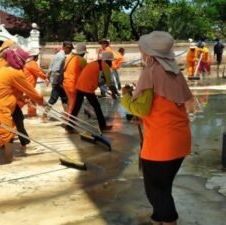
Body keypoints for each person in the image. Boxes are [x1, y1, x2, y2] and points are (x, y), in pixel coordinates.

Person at [121, 31, 193, 225]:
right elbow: (169, 105)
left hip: (162, 144)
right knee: (164, 186)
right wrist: (145, 121)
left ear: (150, 53)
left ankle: (169, 220)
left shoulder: (151, 72)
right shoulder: (175, 72)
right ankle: (159, 218)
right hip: (180, 139)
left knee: (155, 190)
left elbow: (141, 108)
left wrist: (126, 97)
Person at [0, 46, 46, 166]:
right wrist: (41, 101)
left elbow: (11, 89)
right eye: (23, 61)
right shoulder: (15, 73)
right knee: (4, 133)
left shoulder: (6, 68)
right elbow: (30, 90)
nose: (24, 63)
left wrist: (23, 98)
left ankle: (9, 157)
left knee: (9, 130)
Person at [65, 52, 114, 132]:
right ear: (108, 61)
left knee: (76, 107)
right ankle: (103, 126)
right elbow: (109, 83)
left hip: (79, 85)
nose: (112, 63)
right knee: (97, 107)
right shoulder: (105, 66)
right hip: (87, 88)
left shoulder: (94, 63)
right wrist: (114, 93)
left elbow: (99, 79)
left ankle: (69, 127)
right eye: (111, 61)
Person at [41, 41, 73, 122]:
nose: (70, 50)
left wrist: (48, 77)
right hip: (57, 81)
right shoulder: (61, 57)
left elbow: (51, 67)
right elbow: (56, 70)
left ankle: (67, 116)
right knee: (53, 99)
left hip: (58, 80)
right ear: (65, 47)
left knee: (64, 98)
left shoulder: (59, 55)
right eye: (69, 48)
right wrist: (58, 82)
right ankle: (44, 115)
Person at [23, 49, 49, 117]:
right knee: (31, 100)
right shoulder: (32, 63)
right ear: (35, 57)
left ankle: (31, 114)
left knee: (26, 100)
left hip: (27, 84)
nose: (38, 57)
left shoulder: (27, 62)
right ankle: (32, 115)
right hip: (29, 85)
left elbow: (38, 70)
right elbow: (38, 72)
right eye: (37, 56)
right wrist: (46, 77)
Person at [63, 43, 87, 114]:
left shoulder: (69, 57)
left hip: (66, 83)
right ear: (83, 53)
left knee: (70, 102)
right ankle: (69, 122)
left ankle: (67, 118)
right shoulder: (82, 60)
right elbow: (86, 73)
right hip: (73, 85)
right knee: (73, 104)